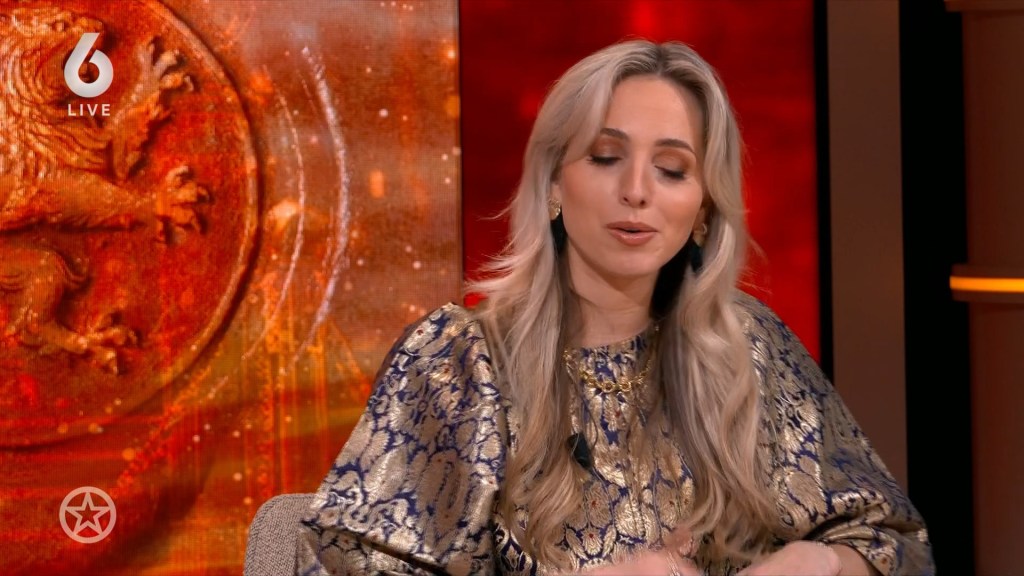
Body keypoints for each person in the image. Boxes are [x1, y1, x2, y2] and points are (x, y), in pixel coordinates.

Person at [295, 39, 934, 576]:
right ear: (553, 181)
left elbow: (895, 544)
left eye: (672, 170)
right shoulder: (457, 363)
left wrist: (815, 562)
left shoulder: (749, 346)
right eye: (605, 158)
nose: (636, 191)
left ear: (704, 208)